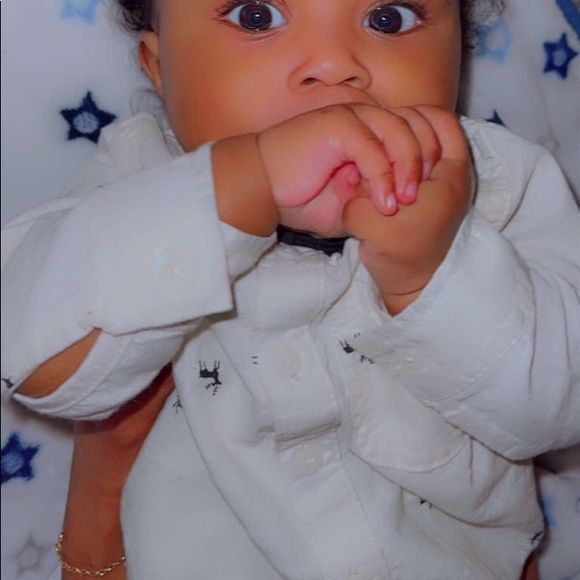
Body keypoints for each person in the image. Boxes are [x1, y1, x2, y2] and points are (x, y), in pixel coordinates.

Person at [1, 0, 579, 577]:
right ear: (159, 65)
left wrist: (434, 272)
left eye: (389, 19)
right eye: (256, 17)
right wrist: (240, 184)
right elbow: (32, 361)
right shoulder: (130, 185)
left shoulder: (497, 183)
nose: (334, 64)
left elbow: (563, 408)